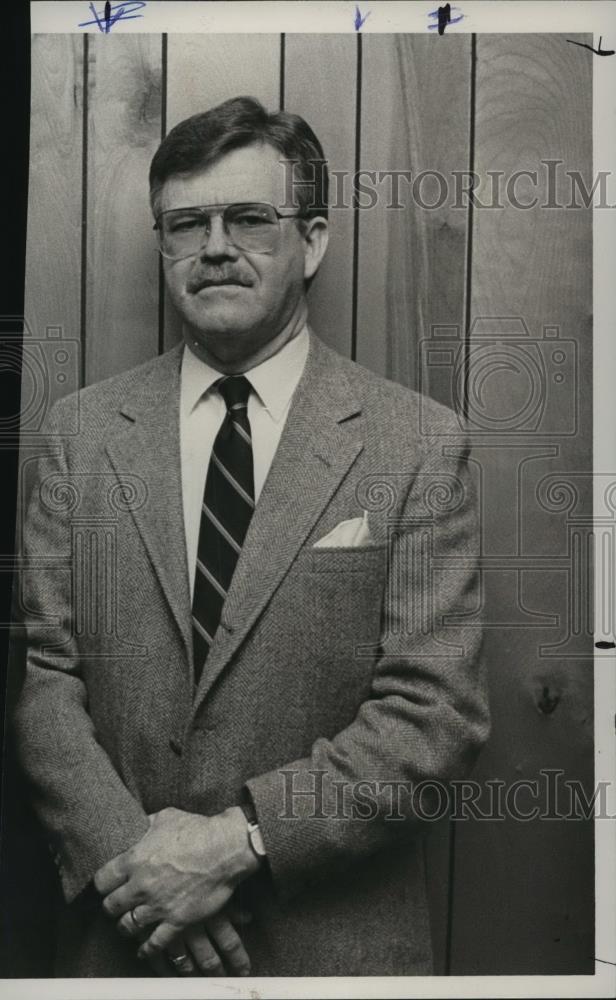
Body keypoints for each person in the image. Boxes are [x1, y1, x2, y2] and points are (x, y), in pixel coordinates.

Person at [12, 95, 490, 978]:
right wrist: (142, 869)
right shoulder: (80, 435)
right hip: (122, 948)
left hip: (333, 952)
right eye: (187, 223)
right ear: (163, 246)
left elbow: (434, 713)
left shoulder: (417, 445)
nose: (216, 245)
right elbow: (46, 681)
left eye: (249, 218)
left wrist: (237, 844)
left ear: (311, 242)